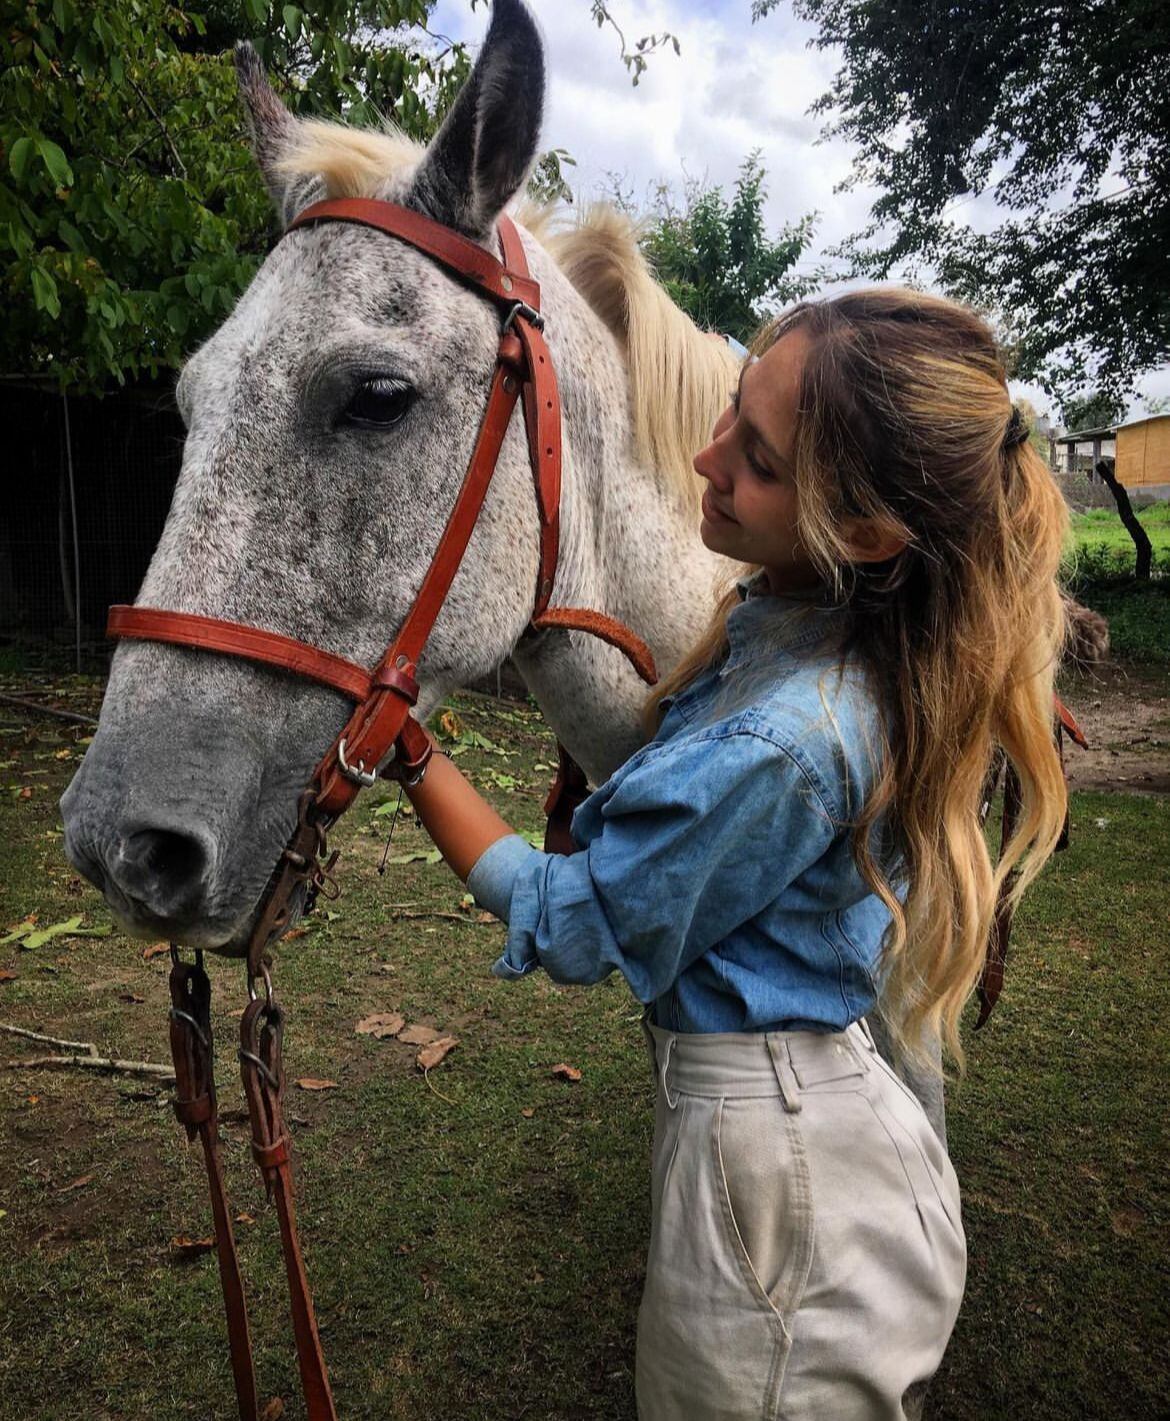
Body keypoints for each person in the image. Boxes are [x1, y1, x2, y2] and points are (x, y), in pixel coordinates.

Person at [395, 288, 1070, 1420]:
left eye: (755, 457)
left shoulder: (787, 736)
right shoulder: (811, 634)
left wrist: (407, 750)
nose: (703, 459)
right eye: (726, 416)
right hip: (793, 1136)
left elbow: (566, 923)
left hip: (780, 1179)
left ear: (862, 534)